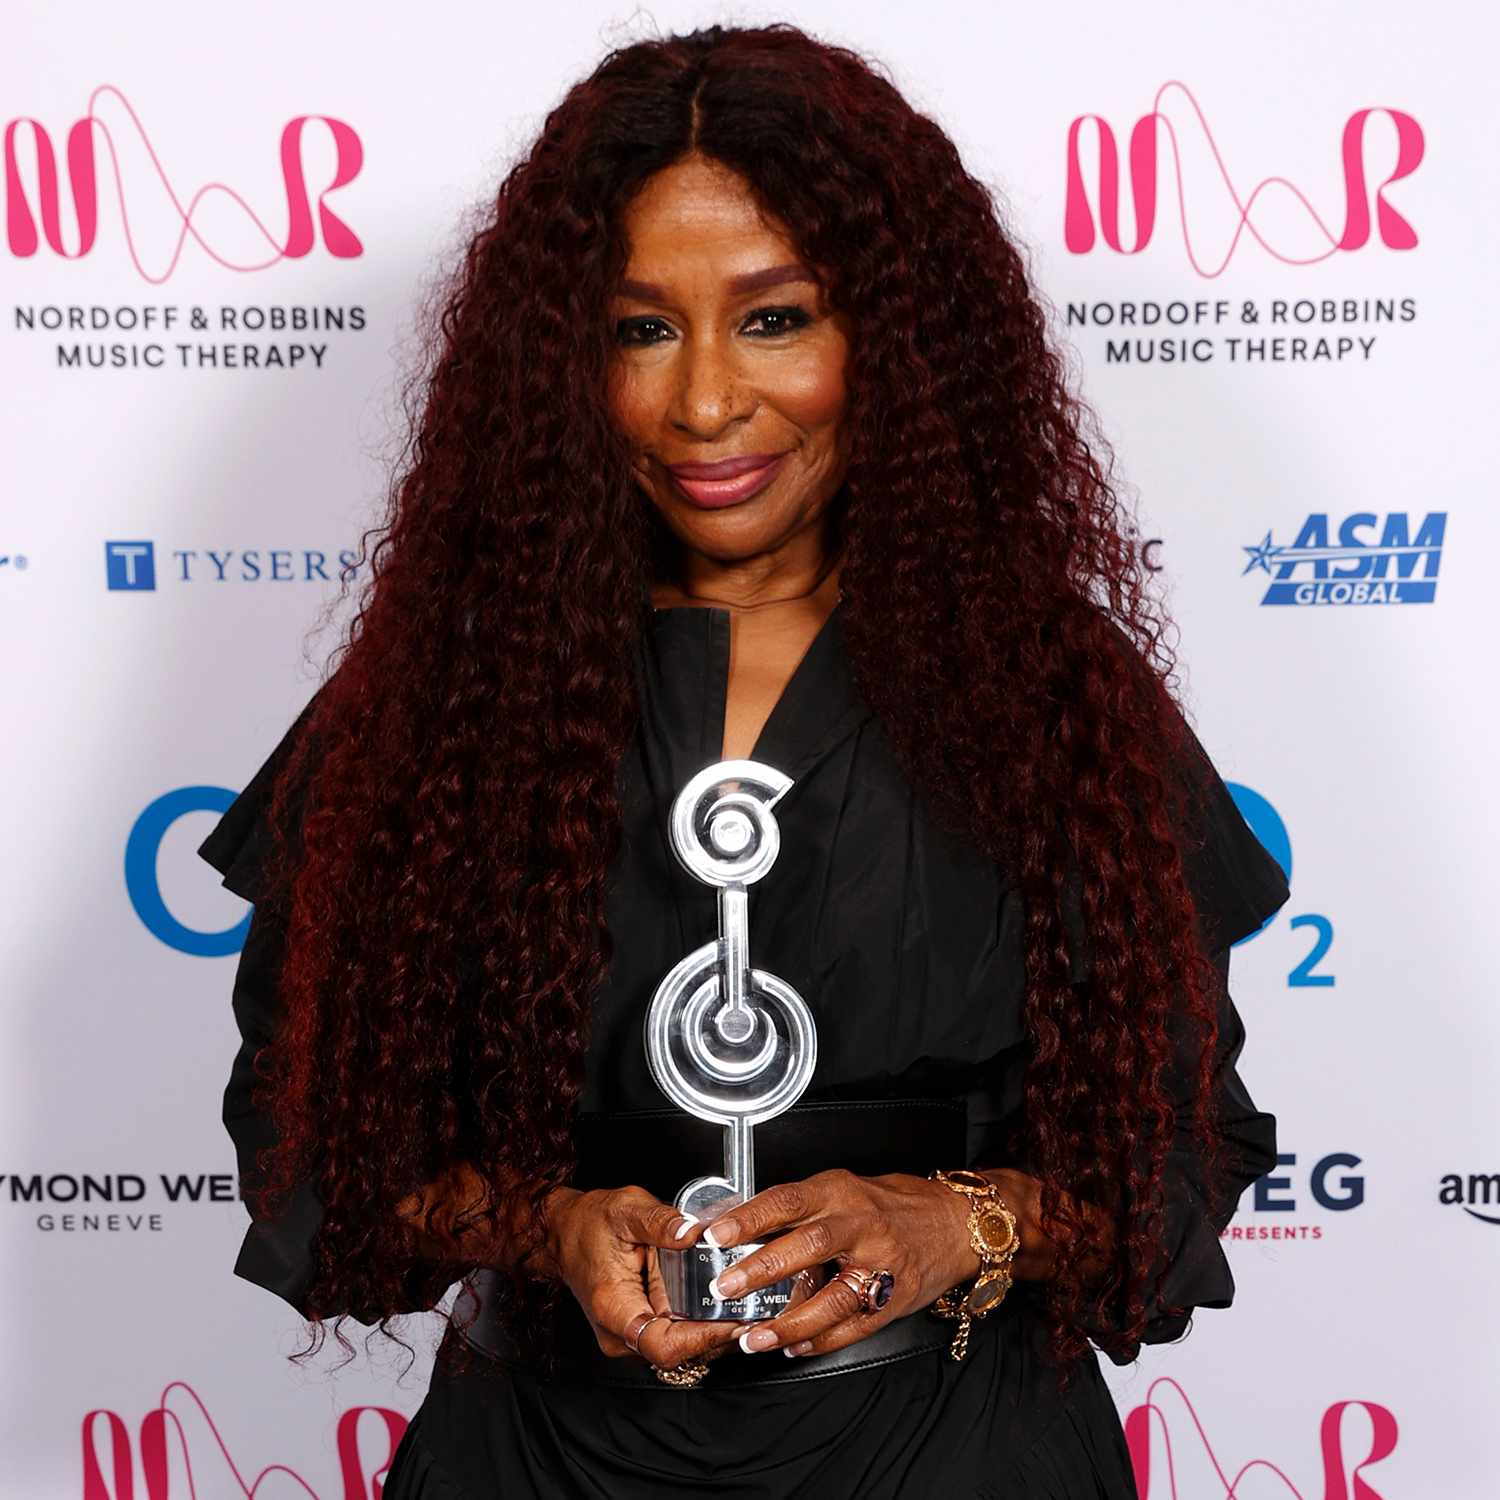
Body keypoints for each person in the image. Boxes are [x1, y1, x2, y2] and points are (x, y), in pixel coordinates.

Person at [198, 22, 1289, 1500]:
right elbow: (310, 1145)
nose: (706, 402)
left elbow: (1179, 1159)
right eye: (641, 328)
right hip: (543, 1459)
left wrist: (957, 1222)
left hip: (957, 1458)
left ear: (893, 338)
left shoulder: (1053, 699)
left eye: (776, 319)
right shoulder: (447, 704)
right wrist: (545, 1228)